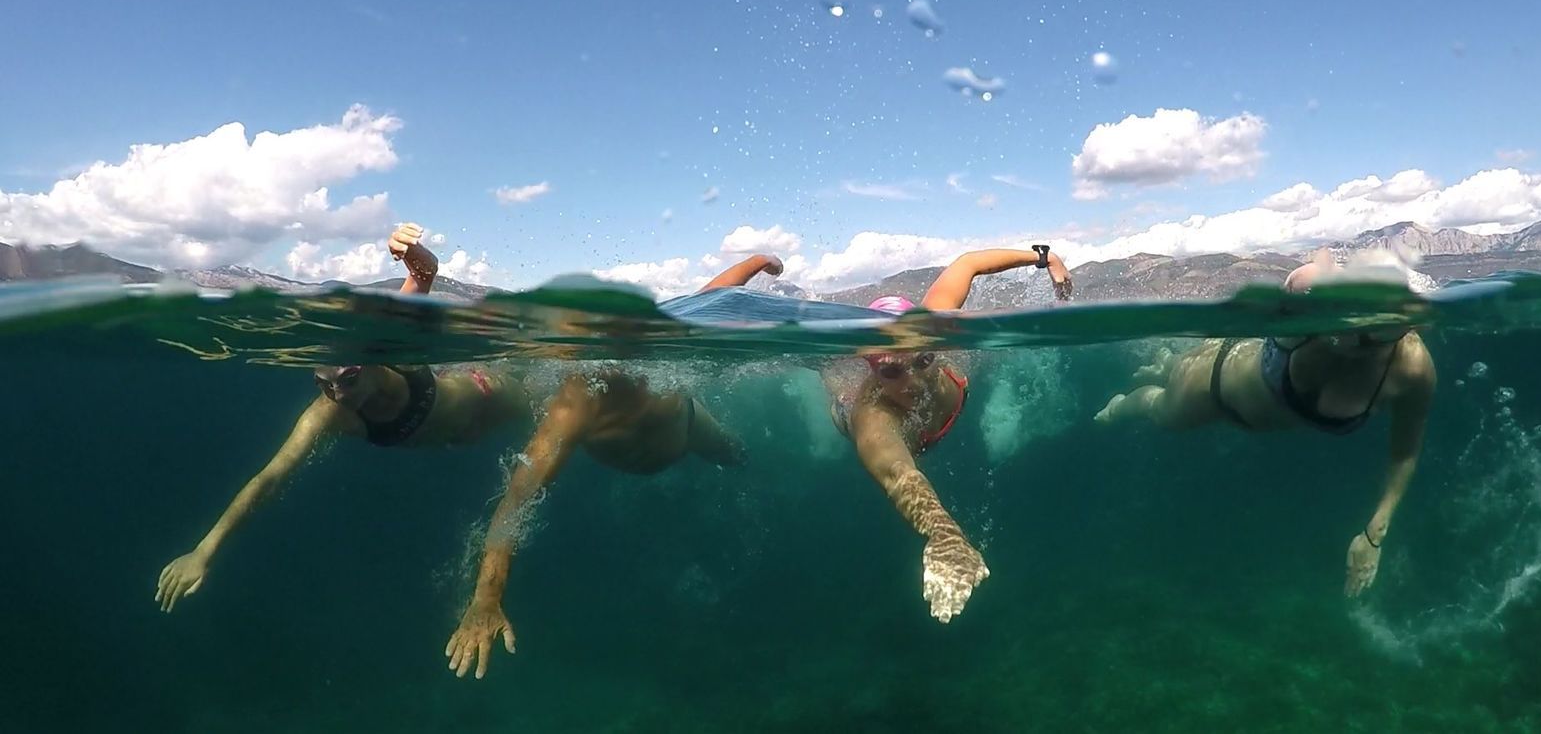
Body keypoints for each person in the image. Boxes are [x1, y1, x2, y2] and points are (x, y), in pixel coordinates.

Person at [155, 222, 534, 612]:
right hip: (456, 441)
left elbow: (425, 273)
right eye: (322, 382)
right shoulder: (329, 414)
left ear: (369, 362)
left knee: (546, 419)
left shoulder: (387, 343)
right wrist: (204, 551)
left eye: (348, 380)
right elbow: (268, 479)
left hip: (491, 397)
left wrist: (408, 250)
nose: (336, 394)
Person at [442, 255, 782, 679]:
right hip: (637, 454)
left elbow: (709, 300)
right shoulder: (576, 404)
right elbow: (516, 501)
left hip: (690, 426)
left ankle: (770, 493)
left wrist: (756, 262)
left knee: (738, 456)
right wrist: (486, 599)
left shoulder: (664, 343)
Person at [1094, 255, 1436, 597]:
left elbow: (1405, 452)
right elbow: (1319, 265)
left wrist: (1376, 532)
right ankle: (1121, 406)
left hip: (1241, 382)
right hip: (1210, 386)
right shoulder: (1313, 306)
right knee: (1161, 411)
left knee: (1173, 373)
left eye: (1366, 332)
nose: (1348, 337)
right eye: (1346, 325)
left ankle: (1164, 363)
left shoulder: (1413, 371)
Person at [826, 245, 1073, 623]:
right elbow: (899, 475)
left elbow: (968, 263)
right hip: (850, 411)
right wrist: (945, 535)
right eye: (892, 372)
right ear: (875, 372)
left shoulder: (940, 327)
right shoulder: (873, 418)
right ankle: (828, 376)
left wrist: (1045, 257)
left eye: (923, 360)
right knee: (839, 391)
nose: (914, 380)